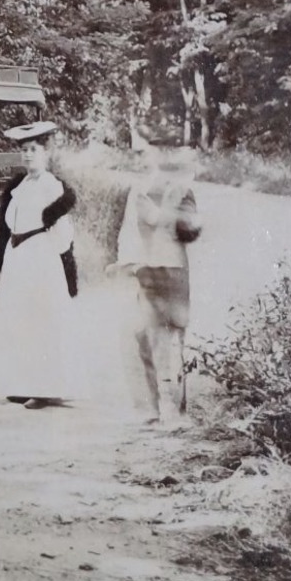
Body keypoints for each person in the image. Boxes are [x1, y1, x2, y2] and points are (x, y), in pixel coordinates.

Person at [0, 121, 79, 409]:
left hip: (40, 255)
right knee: (18, 318)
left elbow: (63, 231)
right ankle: (22, 383)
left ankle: (46, 387)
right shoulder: (19, 186)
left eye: (34, 150)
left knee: (42, 318)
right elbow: (9, 222)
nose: (28, 156)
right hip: (18, 256)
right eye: (25, 151)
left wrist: (52, 259)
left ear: (46, 154)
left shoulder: (51, 186)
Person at [114, 143, 202, 421]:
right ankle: (153, 409)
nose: (140, 159)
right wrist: (127, 264)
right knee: (145, 337)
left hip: (172, 270)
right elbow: (128, 230)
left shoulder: (180, 190)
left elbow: (191, 230)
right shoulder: (137, 191)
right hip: (147, 269)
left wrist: (165, 215)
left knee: (173, 338)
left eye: (145, 153)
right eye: (137, 154)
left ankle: (175, 409)